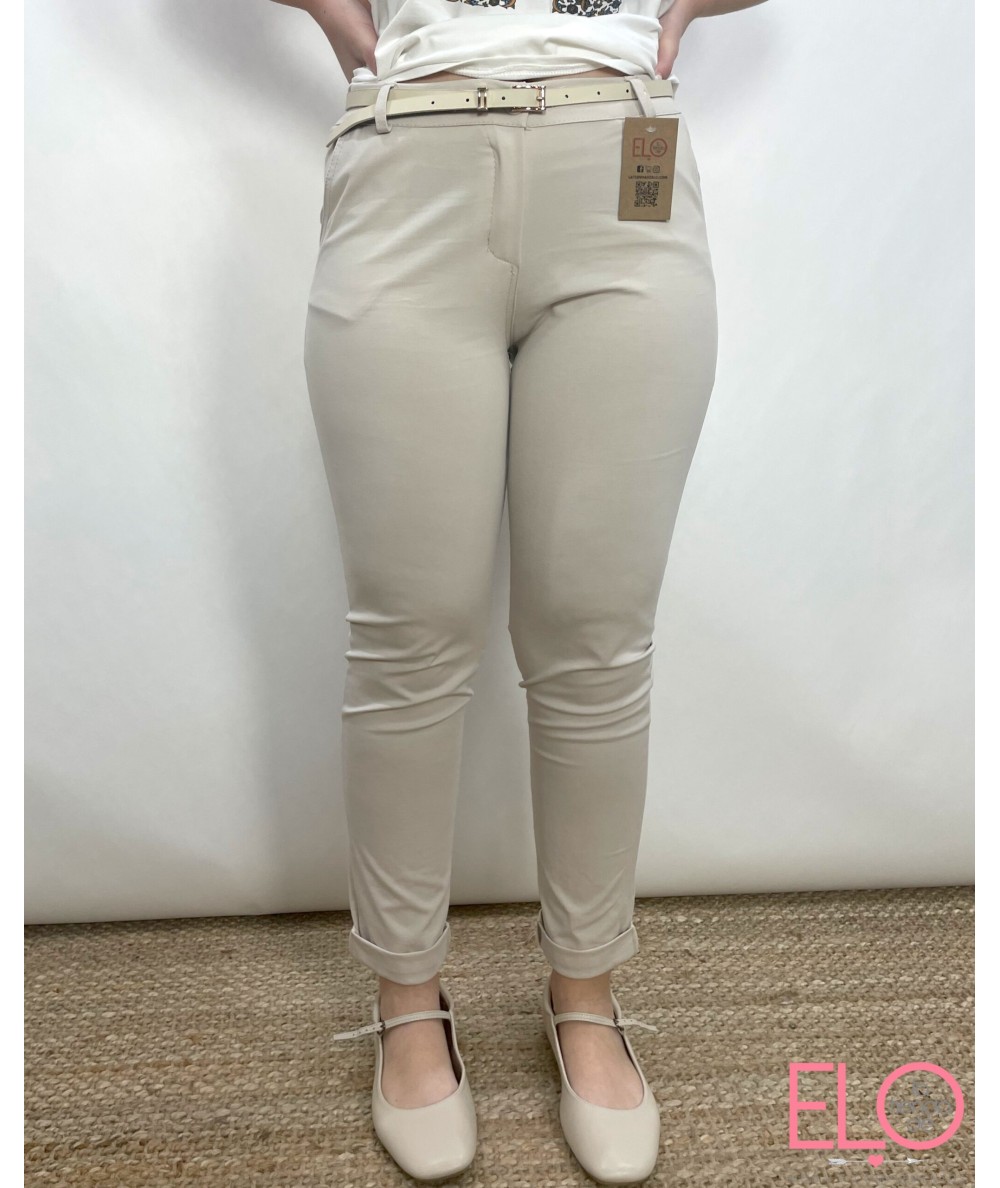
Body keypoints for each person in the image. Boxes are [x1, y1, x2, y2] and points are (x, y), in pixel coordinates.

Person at [270, 0, 767, 1181]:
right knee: (410, 634)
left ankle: (585, 996)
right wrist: (348, 29)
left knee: (595, 635)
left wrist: (679, 14)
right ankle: (407, 1001)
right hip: (410, 155)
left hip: (620, 161)